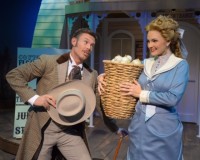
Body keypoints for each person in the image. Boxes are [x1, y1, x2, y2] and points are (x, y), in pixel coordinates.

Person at [6, 28, 126, 160]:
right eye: (85, 42)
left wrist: (116, 128)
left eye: (92, 45)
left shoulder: (92, 75)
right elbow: (14, 75)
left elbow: (99, 105)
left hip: (70, 132)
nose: (89, 47)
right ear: (74, 41)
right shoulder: (49, 62)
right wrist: (35, 99)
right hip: (44, 129)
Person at [98, 15, 189, 160]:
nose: (149, 45)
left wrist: (141, 94)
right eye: (148, 41)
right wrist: (103, 77)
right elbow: (124, 75)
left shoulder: (180, 65)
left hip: (163, 129)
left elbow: (173, 98)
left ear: (168, 41)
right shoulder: (145, 62)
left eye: (154, 41)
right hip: (139, 127)